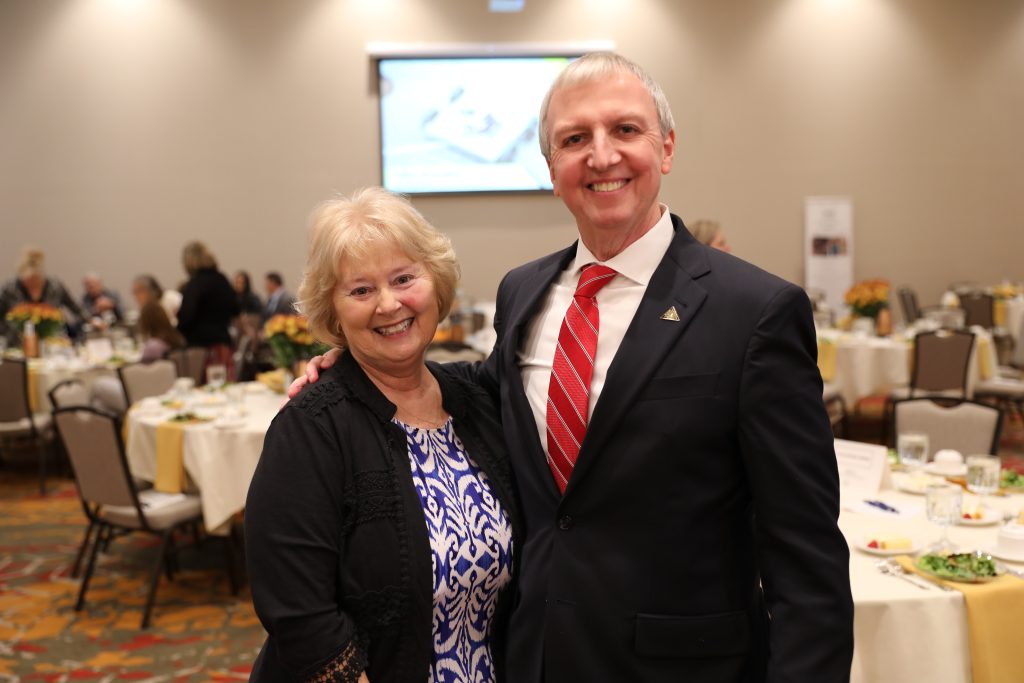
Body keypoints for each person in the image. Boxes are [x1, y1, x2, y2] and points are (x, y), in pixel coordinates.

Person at [297, 52, 853, 682]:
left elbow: (807, 559)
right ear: (551, 167)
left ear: (666, 148)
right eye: (574, 138)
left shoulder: (755, 311)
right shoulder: (523, 291)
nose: (602, 155)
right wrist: (358, 362)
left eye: (625, 130)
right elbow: (489, 392)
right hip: (535, 654)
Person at [245, 187, 519, 683]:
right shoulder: (311, 428)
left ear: (435, 283)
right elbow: (299, 614)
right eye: (361, 290)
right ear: (333, 310)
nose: (389, 304)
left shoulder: (478, 398)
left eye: (403, 278)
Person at [90, 301, 186, 414]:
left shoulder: (153, 346)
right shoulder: (177, 339)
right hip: (168, 389)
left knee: (98, 384)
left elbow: (139, 375)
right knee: (100, 404)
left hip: (145, 394)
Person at [0, 246, 88, 344]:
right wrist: (7, 331)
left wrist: (91, 320)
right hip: (17, 343)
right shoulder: (10, 288)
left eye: (35, 279)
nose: (32, 283)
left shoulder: (55, 286)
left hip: (52, 341)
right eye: (27, 280)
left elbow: (75, 308)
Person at [176, 241, 239, 376]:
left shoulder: (195, 285)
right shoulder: (222, 279)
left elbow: (186, 318)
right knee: (224, 386)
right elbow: (236, 310)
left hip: (201, 349)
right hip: (223, 344)